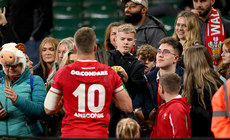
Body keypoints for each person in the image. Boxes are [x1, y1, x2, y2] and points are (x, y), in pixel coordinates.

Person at [44, 27, 132, 138]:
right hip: (98, 135)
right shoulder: (109, 73)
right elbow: (128, 107)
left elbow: (48, 108)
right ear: (95, 48)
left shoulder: (63, 73)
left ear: (75, 48)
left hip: (71, 134)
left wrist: (64, 99)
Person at [133, 37, 184, 137]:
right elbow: (136, 107)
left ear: (176, 58)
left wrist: (157, 122)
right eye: (159, 51)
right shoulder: (145, 80)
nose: (160, 55)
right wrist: (146, 119)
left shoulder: (186, 80)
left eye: (166, 52)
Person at [0, 43, 46, 136]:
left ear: (23, 64)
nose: (10, 69)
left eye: (15, 65)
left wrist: (17, 100)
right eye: (7, 66)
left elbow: (41, 112)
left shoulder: (35, 80)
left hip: (28, 135)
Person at [182, 45, 223, 137]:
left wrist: (189, 108)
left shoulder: (212, 84)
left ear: (192, 62)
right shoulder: (191, 81)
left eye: (185, 58)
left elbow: (214, 116)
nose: (183, 61)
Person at [5, 0, 53, 66]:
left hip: (31, 41)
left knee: (32, 70)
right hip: (12, 40)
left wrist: (35, 36)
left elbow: (46, 16)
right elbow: (8, 13)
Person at [191, 0, 230, 69]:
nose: (198, 5)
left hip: (219, 74)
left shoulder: (226, 26)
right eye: (195, 1)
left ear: (212, 1)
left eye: (203, 1)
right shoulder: (185, 24)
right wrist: (189, 21)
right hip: (192, 72)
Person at [150, 73, 191, 138]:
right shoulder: (163, 107)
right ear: (179, 88)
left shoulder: (177, 108)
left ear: (162, 89)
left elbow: (180, 135)